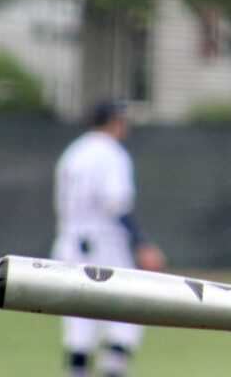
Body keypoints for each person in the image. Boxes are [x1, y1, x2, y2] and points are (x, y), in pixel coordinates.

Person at [52, 99, 166, 377]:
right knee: (128, 313)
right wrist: (143, 243)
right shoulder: (111, 153)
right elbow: (116, 203)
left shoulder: (73, 151)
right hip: (103, 245)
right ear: (113, 121)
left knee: (79, 326)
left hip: (68, 243)